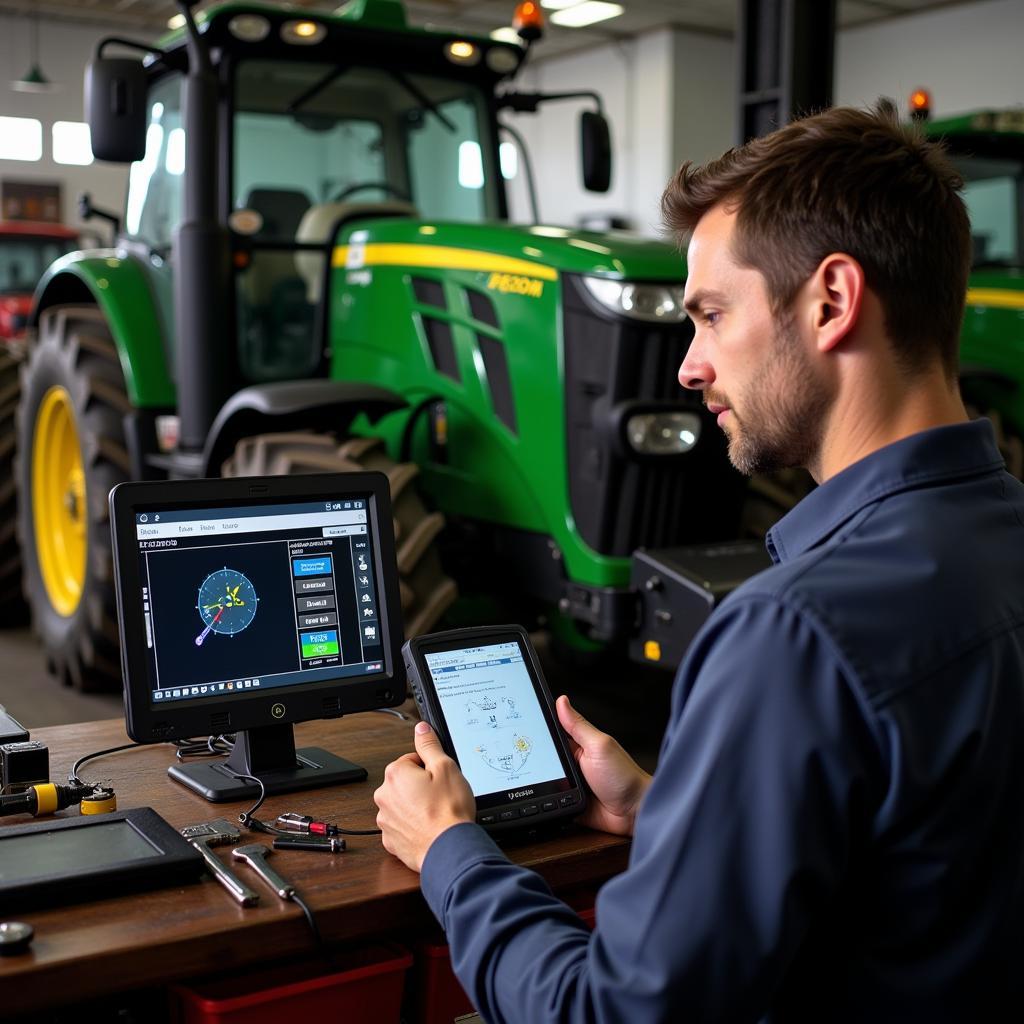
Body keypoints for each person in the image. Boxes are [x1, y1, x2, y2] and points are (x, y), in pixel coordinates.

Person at [373, 101, 1024, 1022]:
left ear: (832, 301)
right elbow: (934, 861)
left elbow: (611, 1013)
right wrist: (679, 815)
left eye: (712, 316)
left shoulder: (794, 633)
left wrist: (451, 853)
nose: (688, 366)